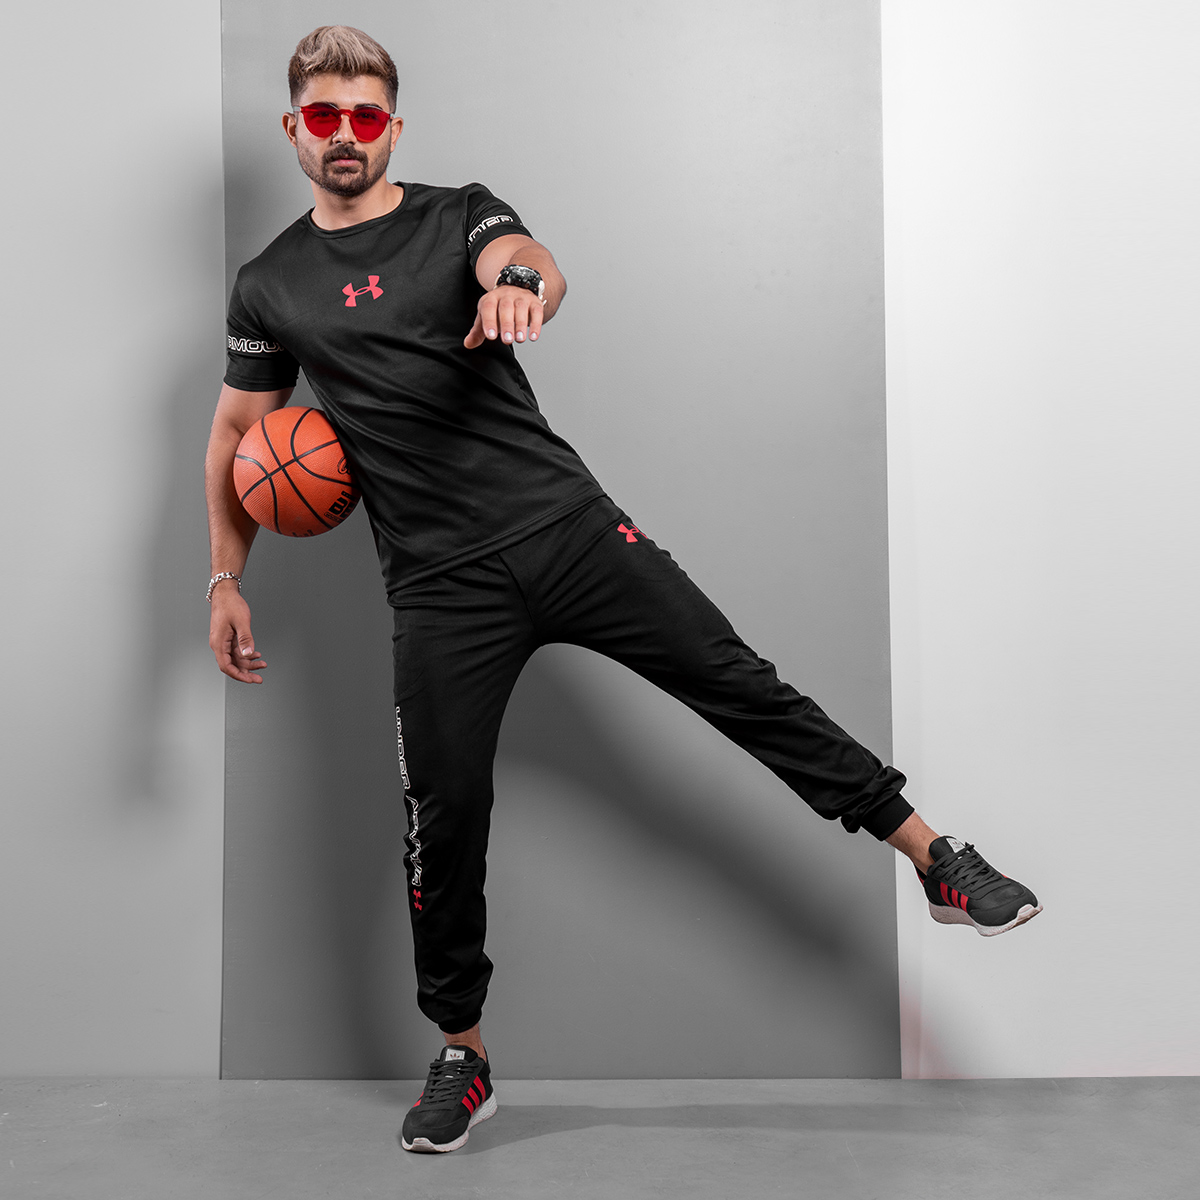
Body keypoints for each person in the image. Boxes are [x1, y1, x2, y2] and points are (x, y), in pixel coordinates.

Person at [205, 25, 1041, 1154]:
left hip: (568, 531)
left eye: (364, 115)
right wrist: (227, 577)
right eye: (322, 117)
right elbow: (236, 435)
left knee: (739, 685)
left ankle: (936, 858)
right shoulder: (269, 283)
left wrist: (517, 286)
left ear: (392, 127)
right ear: (294, 129)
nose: (343, 134)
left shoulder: (460, 215)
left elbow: (532, 261)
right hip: (441, 588)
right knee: (441, 824)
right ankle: (463, 1054)